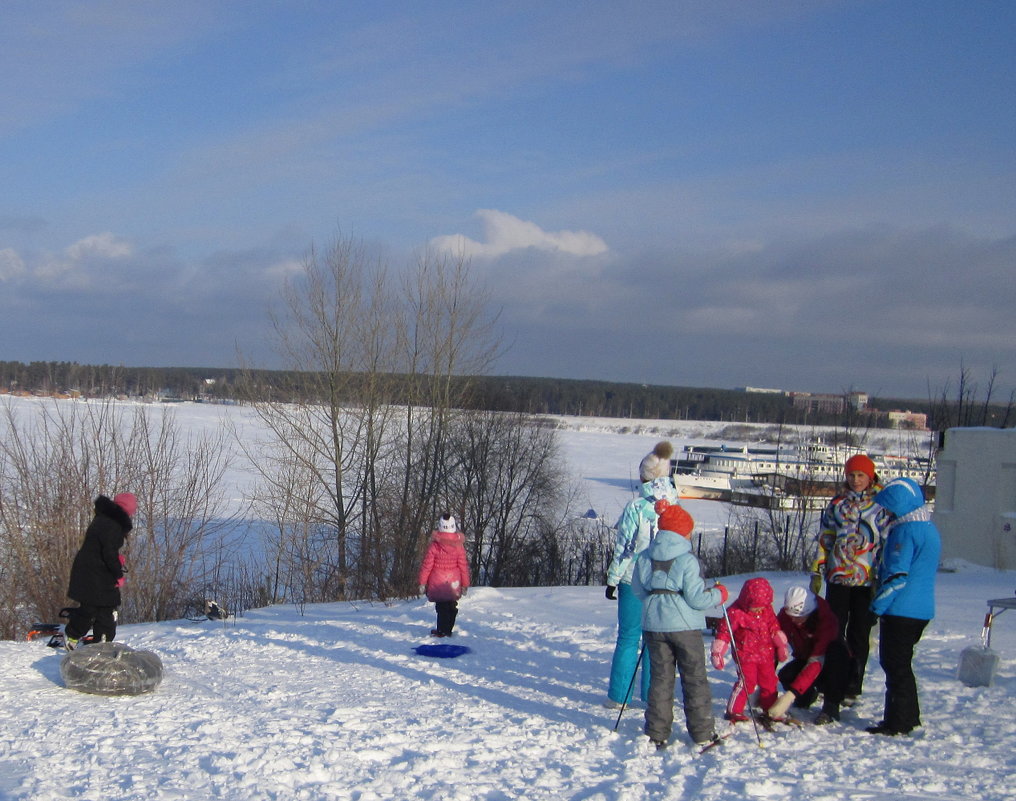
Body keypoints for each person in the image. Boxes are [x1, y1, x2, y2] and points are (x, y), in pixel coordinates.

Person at [631, 499, 728, 749]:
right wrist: (718, 595)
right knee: (694, 678)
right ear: (683, 532)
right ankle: (702, 732)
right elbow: (696, 600)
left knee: (660, 679)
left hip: (654, 625)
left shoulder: (644, 557)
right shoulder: (687, 560)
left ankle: (657, 732)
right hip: (685, 626)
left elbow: (638, 591)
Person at [603, 441, 678, 709]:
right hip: (665, 581)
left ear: (645, 475)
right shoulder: (676, 506)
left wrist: (613, 579)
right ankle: (651, 694)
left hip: (634, 579)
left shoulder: (636, 507)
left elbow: (625, 549)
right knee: (654, 639)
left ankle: (619, 696)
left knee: (628, 637)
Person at [810, 453, 890, 704]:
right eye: (852, 475)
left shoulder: (881, 505)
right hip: (838, 576)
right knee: (834, 630)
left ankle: (853, 682)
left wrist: (884, 576)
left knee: (859, 632)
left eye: (861, 475)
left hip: (867, 578)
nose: (856, 480)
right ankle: (833, 677)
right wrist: (818, 568)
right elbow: (826, 536)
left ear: (871, 476)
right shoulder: (838, 503)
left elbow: (887, 541)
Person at [866, 477, 941, 736]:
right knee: (902, 665)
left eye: (887, 508)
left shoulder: (905, 532)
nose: (885, 513)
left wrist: (876, 608)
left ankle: (898, 721)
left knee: (895, 665)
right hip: (921, 609)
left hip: (901, 610)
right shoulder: (927, 528)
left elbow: (897, 576)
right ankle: (909, 716)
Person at [768, 585, 851, 724]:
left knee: (837, 654)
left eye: (799, 617)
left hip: (828, 662)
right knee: (786, 675)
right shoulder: (785, 616)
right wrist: (767, 681)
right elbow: (774, 645)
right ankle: (806, 697)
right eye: (791, 617)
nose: (794, 621)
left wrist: (790, 695)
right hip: (804, 658)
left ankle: (831, 706)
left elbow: (816, 661)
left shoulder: (827, 621)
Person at [710, 577, 789, 722]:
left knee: (769, 681)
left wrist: (781, 645)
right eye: (756, 606)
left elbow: (774, 627)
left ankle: (770, 707)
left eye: (763, 606)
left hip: (766, 654)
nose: (760, 609)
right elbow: (724, 632)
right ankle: (734, 710)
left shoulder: (767, 610)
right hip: (745, 655)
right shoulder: (735, 612)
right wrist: (718, 652)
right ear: (746, 601)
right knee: (747, 681)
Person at [64, 493, 136, 649]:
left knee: (98, 607)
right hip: (96, 574)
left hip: (91, 571)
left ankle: (99, 642)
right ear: (127, 509)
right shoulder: (113, 525)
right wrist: (118, 575)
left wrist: (117, 559)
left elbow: (102, 548)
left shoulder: (104, 518)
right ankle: (75, 636)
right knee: (96, 608)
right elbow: (108, 553)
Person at [418, 514, 471, 638]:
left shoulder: (434, 546)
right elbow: (463, 566)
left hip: (437, 582)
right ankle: (447, 629)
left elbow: (427, 566)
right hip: (454, 582)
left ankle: (442, 630)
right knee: (451, 605)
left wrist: (422, 582)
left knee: (441, 607)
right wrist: (465, 584)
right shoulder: (459, 546)